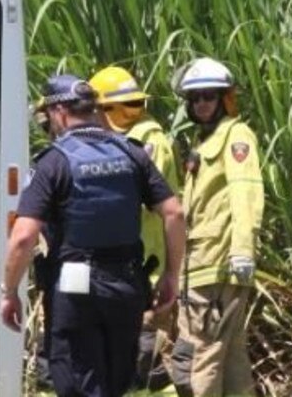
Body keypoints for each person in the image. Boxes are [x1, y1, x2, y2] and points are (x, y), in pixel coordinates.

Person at [1, 74, 185, 397]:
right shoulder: (132, 154)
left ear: (59, 112)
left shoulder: (53, 162)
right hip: (127, 287)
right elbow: (174, 213)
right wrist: (171, 275)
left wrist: (9, 291)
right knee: (116, 386)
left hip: (76, 292)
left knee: (78, 384)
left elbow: (22, 237)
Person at [168, 57, 264, 397]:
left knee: (198, 358)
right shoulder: (204, 139)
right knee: (232, 359)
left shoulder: (235, 136)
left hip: (218, 266)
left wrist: (242, 250)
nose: (201, 104)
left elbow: (245, 191)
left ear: (224, 97)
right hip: (205, 265)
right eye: (194, 99)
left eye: (208, 96)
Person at [89, 65, 182, 393]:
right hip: (129, 270)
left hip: (144, 269)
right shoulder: (131, 138)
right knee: (140, 365)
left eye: (96, 109)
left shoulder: (145, 142)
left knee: (142, 363)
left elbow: (140, 203)